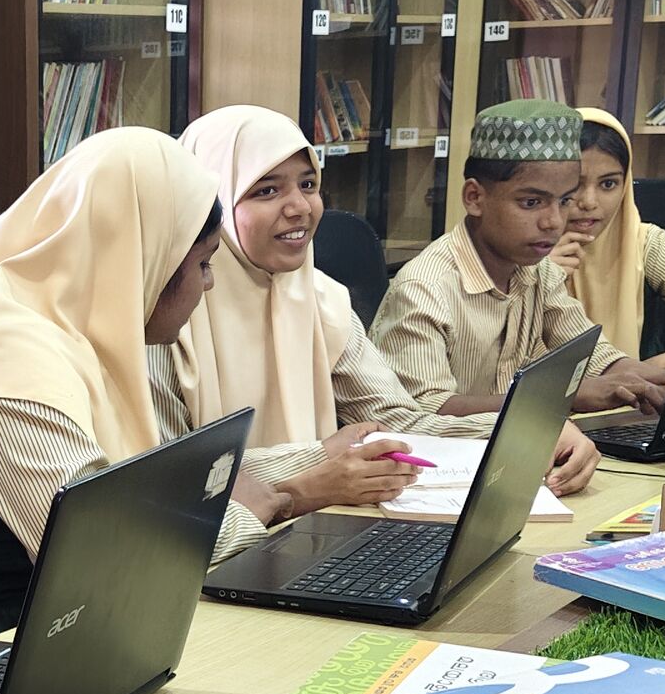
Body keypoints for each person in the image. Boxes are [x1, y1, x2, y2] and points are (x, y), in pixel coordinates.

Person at [0, 127, 289, 643]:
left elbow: (164, 482)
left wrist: (305, 474)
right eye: (202, 264)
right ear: (146, 259)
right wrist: (256, 509)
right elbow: (114, 560)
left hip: (29, 644)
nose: (209, 283)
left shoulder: (74, 338)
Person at [159, 104, 591, 499]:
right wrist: (317, 459)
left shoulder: (321, 300)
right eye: (267, 191)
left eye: (308, 185)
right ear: (210, 203)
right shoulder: (165, 317)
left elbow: (400, 421)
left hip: (318, 522)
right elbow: (172, 477)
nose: (300, 207)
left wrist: (532, 430)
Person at [370, 99, 665, 439]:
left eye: (564, 200)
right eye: (531, 202)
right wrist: (563, 397)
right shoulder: (424, 289)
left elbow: (590, 351)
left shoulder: (538, 270)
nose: (553, 222)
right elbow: (424, 411)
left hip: (515, 449)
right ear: (474, 197)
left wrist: (645, 378)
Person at [549, 107, 665, 368]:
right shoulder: (518, 252)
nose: (589, 202)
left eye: (608, 184)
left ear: (625, 185)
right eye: (574, 184)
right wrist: (539, 278)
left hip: (632, 391)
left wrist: (653, 366)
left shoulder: (643, 242)